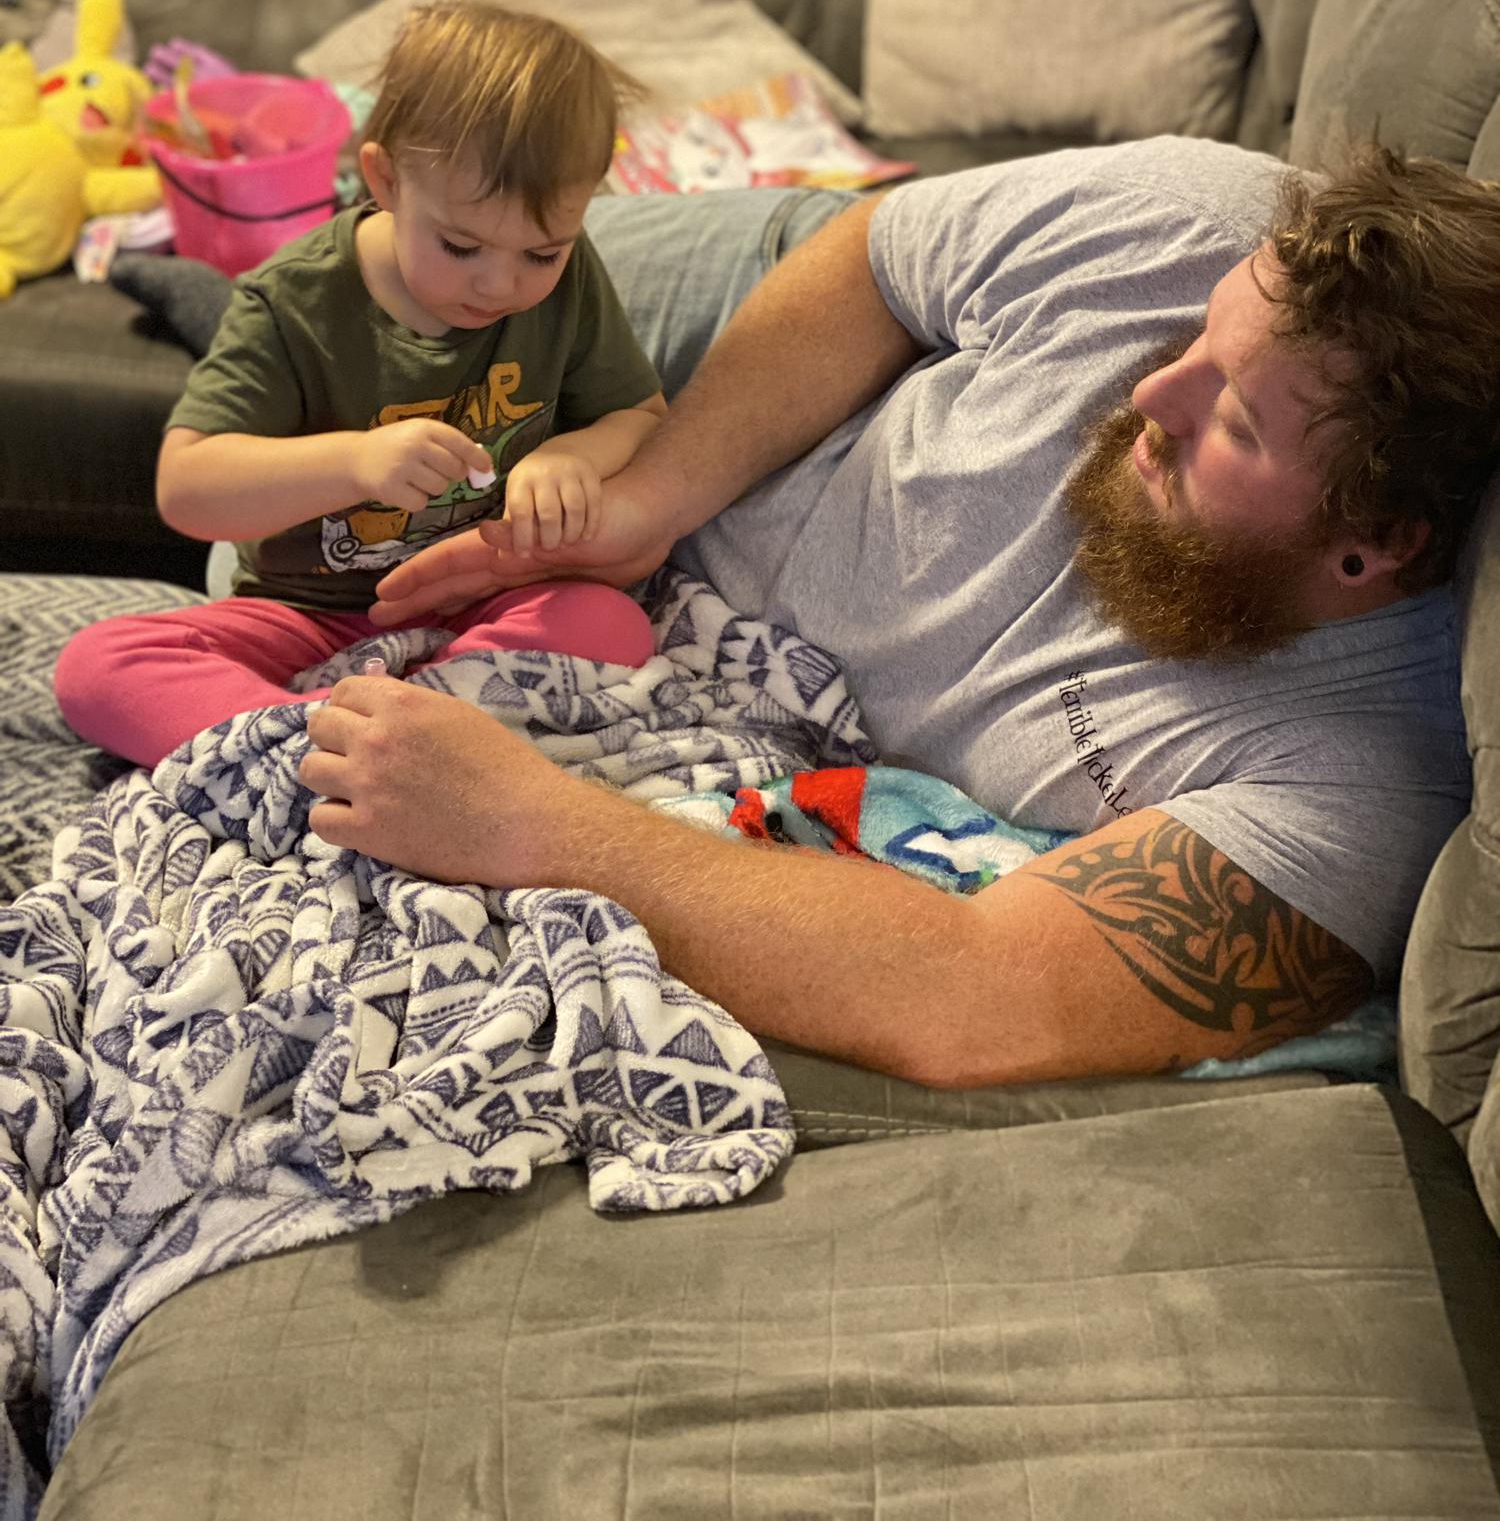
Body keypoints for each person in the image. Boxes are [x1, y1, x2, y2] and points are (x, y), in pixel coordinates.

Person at [297, 137, 1500, 1089]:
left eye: (1234, 418)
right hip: (755, 350)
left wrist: (528, 823)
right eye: (1203, 334)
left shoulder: (1362, 782)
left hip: (721, 668)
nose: (1151, 391)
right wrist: (647, 500)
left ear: (1375, 545)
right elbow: (878, 256)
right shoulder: (1189, 217)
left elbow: (978, 998)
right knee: (328, 308)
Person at [55, 0, 667, 767]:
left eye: (541, 254)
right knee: (95, 669)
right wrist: (355, 462)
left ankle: (368, 744)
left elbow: (641, 416)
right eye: (460, 245)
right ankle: (346, 744)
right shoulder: (292, 300)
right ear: (385, 180)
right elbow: (186, 487)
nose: (501, 283)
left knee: (612, 624)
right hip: (305, 615)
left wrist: (571, 458)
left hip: (473, 612)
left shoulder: (572, 278)